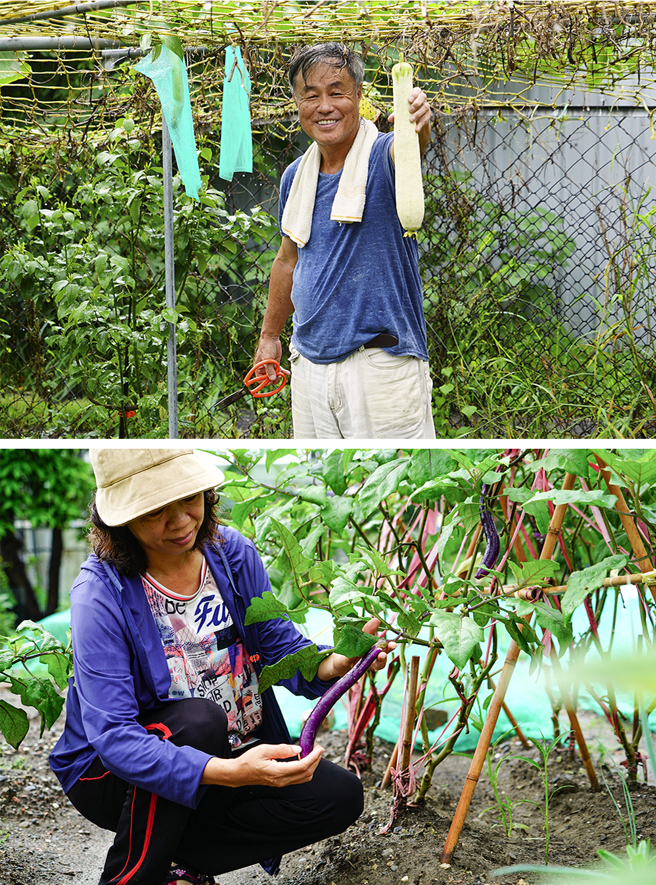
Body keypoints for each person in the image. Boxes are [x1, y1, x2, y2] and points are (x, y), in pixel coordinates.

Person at [49, 448, 393, 885]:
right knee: (196, 721)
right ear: (120, 521)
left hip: (231, 752)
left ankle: (178, 859)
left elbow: (277, 645)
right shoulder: (100, 593)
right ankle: (131, 876)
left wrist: (332, 663)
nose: (180, 521)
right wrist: (231, 773)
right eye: (156, 511)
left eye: (189, 498)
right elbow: (116, 737)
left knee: (338, 797)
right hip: (113, 774)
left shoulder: (231, 554)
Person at [253, 42, 435, 440]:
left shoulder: (383, 155)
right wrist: (269, 337)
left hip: (380, 367)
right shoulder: (295, 178)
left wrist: (417, 125)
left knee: (396, 491)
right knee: (319, 486)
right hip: (309, 369)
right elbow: (287, 261)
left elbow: (411, 151)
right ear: (298, 105)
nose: (325, 106)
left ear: (358, 97)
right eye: (311, 96)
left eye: (337, 92)